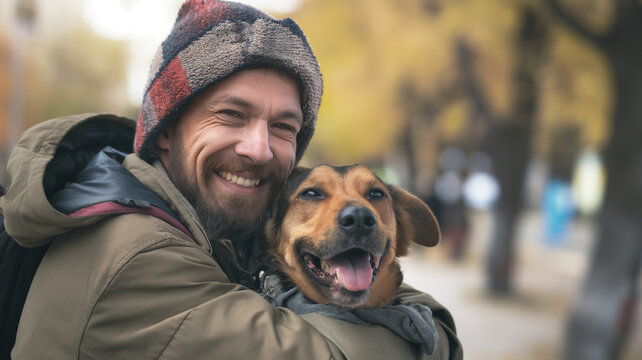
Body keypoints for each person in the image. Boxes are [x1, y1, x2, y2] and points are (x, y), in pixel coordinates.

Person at [0, 1, 462, 358]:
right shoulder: (135, 255)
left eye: (283, 127)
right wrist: (430, 327)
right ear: (164, 134)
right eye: (230, 115)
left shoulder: (205, 229)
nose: (258, 147)